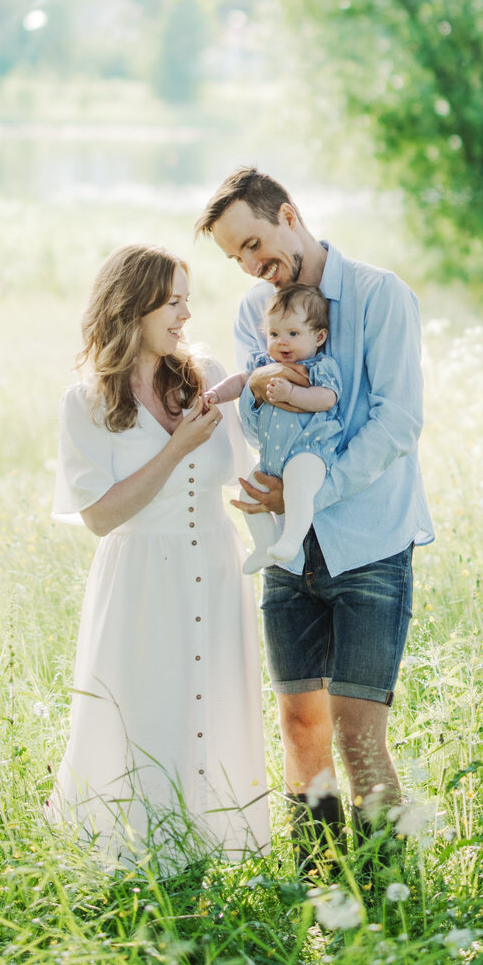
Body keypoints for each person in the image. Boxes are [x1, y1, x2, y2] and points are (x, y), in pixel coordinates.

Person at [195, 165, 431, 854]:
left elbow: (397, 423)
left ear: (289, 214)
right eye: (235, 256)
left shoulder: (380, 296)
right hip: (286, 549)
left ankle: (387, 896)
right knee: (301, 725)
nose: (249, 265)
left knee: (358, 731)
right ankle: (319, 884)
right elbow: (264, 414)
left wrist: (309, 491)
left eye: (253, 243)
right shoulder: (253, 314)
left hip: (369, 543)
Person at [47, 243, 270, 866]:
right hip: (141, 576)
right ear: (134, 307)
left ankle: (216, 850)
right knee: (144, 709)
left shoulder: (203, 373)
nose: (185, 317)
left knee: (212, 701)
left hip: (216, 569)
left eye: (187, 302)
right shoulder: (87, 403)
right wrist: (175, 450)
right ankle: (140, 857)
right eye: (173, 303)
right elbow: (101, 516)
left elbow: (240, 475)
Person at [222, 284, 342, 577]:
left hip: (309, 452)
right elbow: (241, 382)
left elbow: (327, 398)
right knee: (250, 492)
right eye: (274, 334)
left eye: (292, 334)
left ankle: (291, 537)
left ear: (319, 336)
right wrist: (215, 395)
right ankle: (265, 545)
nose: (282, 342)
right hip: (272, 459)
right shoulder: (264, 364)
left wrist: (291, 393)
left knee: (299, 487)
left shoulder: (320, 366)